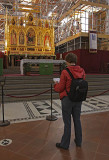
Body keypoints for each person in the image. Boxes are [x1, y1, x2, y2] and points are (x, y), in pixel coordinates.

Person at [54, 52, 86, 150]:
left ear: (67, 61)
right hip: (78, 98)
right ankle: (79, 141)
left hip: (67, 99)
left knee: (67, 122)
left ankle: (65, 144)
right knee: (77, 120)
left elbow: (60, 88)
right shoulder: (82, 70)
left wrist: (56, 85)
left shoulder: (65, 72)